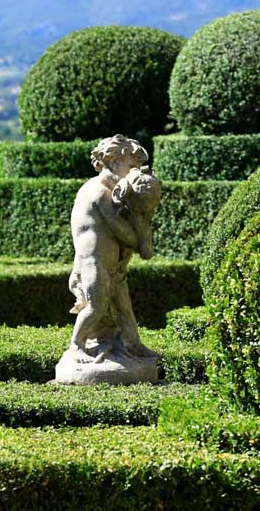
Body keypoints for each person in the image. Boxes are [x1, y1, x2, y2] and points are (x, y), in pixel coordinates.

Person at [68, 134, 159, 363]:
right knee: (96, 306)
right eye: (132, 166)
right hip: (94, 262)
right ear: (114, 162)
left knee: (124, 309)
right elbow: (124, 234)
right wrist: (141, 225)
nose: (136, 172)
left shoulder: (116, 190)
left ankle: (133, 345)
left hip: (113, 264)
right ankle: (76, 345)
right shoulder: (99, 192)